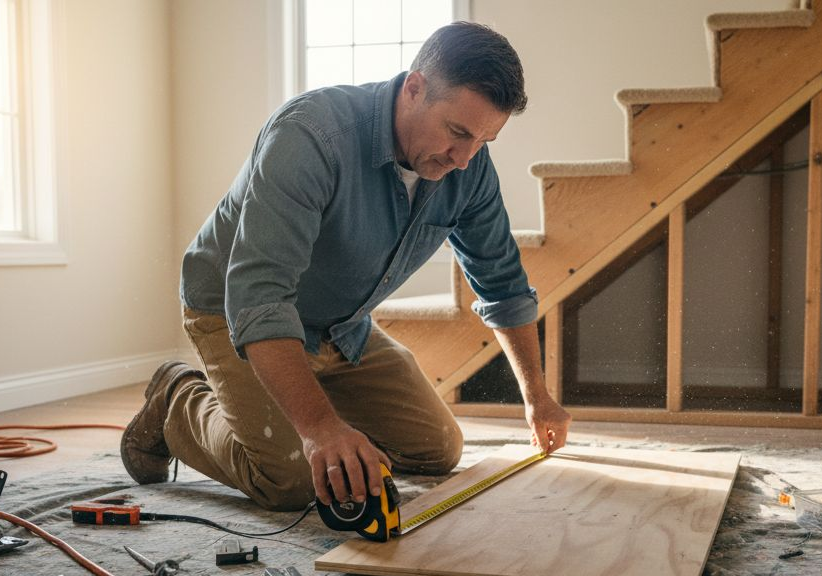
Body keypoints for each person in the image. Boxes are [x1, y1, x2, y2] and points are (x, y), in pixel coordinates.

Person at [121, 21, 570, 514]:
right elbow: (259, 297)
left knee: (438, 448)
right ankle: (176, 399)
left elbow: (502, 282)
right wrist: (320, 429)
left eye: (484, 141)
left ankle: (306, 396)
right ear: (415, 88)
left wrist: (537, 397)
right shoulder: (311, 135)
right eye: (458, 133)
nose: (464, 159)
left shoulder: (469, 167)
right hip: (233, 311)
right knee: (290, 479)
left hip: (340, 325)